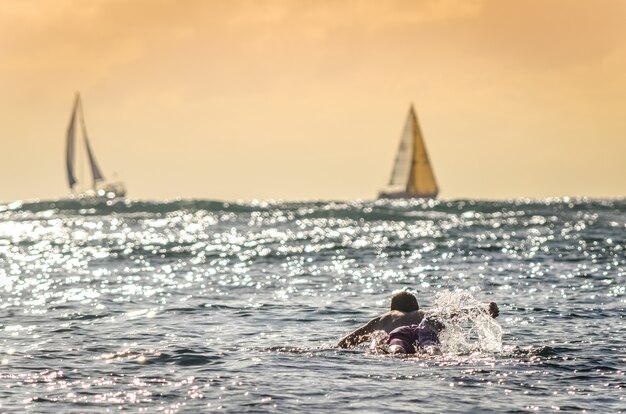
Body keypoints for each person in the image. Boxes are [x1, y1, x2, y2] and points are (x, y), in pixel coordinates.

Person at [337, 290, 499, 349]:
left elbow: (346, 342)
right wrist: (485, 309)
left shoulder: (384, 318)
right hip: (424, 340)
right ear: (416, 306)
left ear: (393, 308)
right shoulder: (424, 314)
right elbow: (455, 312)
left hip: (398, 343)